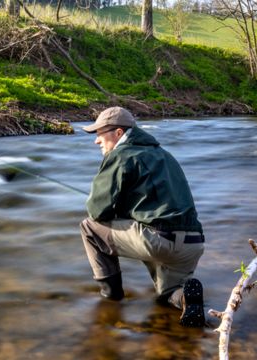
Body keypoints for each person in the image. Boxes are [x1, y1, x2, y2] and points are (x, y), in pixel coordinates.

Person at [79, 106, 206, 327]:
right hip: (193, 244)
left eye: (100, 133)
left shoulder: (120, 155)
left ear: (118, 133)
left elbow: (97, 211)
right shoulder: (165, 155)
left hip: (158, 241)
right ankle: (185, 299)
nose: (96, 141)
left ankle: (111, 298)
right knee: (168, 293)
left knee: (89, 228)